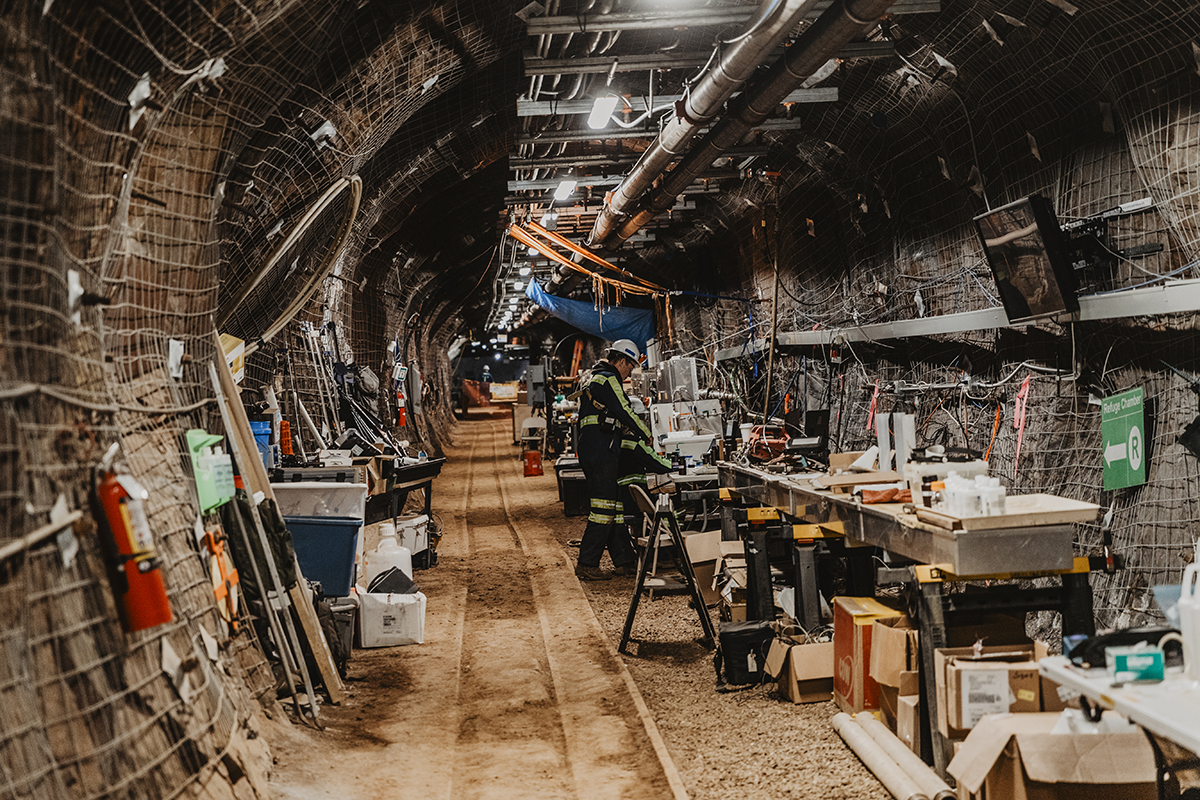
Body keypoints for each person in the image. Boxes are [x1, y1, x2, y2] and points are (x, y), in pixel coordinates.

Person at [575, 339, 651, 580]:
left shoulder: (595, 377)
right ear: (620, 361)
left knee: (614, 507)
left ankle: (624, 560)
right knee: (603, 510)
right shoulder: (608, 379)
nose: (630, 372)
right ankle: (587, 563)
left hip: (598, 447)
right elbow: (624, 410)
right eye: (630, 367)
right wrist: (646, 434)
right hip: (601, 449)